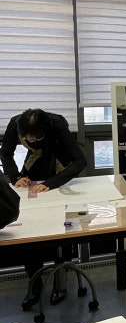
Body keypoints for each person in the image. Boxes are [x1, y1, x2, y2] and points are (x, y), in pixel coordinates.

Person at [0, 109, 87, 308]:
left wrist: (51, 183)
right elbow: (5, 153)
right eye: (27, 138)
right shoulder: (16, 124)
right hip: (33, 170)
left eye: (35, 138)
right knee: (30, 229)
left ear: (45, 132)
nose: (30, 141)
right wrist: (15, 177)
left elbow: (80, 160)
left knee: (61, 227)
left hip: (60, 169)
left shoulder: (57, 124)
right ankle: (35, 282)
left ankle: (60, 281)